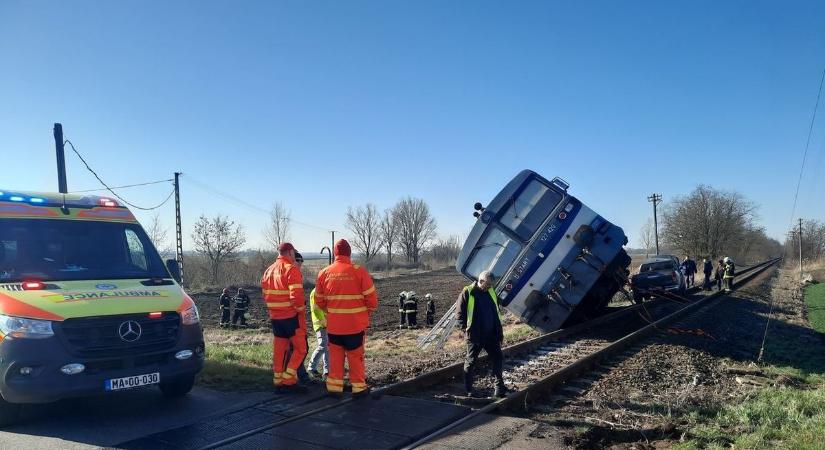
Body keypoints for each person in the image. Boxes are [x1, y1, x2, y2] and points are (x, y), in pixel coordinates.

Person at [315, 239, 378, 398]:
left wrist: (333, 314)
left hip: (334, 328)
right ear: (349, 253)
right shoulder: (359, 271)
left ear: (335, 254)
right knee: (356, 358)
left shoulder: (324, 273)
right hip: (355, 326)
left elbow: (319, 301)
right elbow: (372, 302)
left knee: (335, 359)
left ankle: (335, 389)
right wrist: (363, 314)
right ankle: (358, 389)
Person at [261, 242, 306, 391]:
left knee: (280, 349)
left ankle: (278, 380)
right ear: (290, 252)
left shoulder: (268, 270)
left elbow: (265, 295)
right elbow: (296, 297)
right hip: (291, 317)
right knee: (301, 349)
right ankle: (289, 379)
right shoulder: (290, 269)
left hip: (275, 317)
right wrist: (301, 310)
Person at [458, 270, 507, 398]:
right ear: (480, 281)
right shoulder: (468, 292)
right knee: (471, 362)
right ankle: (468, 389)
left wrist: (499, 332)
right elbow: (460, 314)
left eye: (491, 286)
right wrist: (466, 330)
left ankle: (499, 387)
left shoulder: (491, 292)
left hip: (491, 335)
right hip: (475, 336)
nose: (489, 288)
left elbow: (496, 313)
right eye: (487, 285)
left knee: (498, 358)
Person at [307, 287, 329, 379]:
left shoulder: (323, 291)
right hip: (321, 324)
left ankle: (327, 371)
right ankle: (311, 368)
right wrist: (323, 321)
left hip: (326, 323)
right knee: (323, 345)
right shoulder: (316, 292)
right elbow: (316, 309)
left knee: (327, 347)